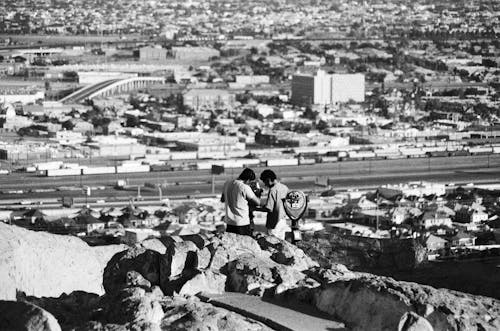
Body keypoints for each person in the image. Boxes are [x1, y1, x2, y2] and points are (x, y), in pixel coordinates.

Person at [221, 168, 261, 236]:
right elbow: (257, 202)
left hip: (230, 223)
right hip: (242, 223)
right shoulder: (244, 187)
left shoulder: (227, 183)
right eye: (250, 182)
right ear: (248, 180)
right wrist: (257, 192)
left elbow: (222, 199)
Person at [259, 169, 289, 240]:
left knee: (272, 244)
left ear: (269, 179)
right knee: (281, 243)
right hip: (283, 220)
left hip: (274, 223)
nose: (265, 185)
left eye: (265, 182)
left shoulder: (272, 190)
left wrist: (255, 208)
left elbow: (269, 208)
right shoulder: (285, 187)